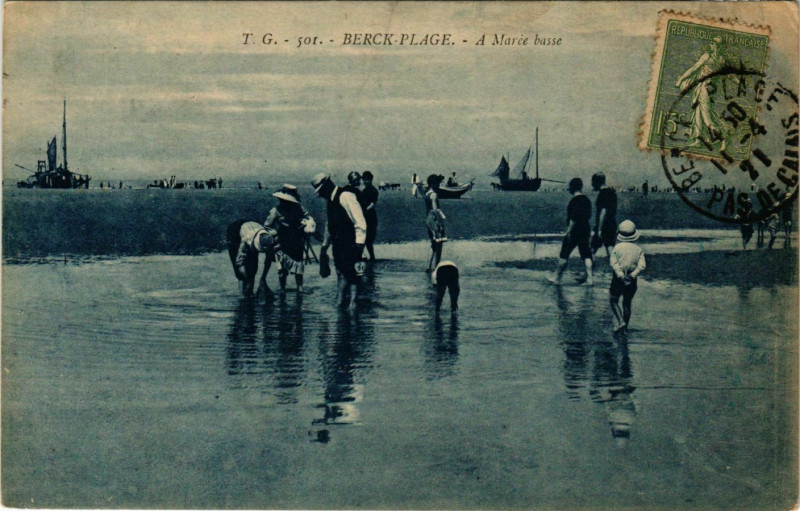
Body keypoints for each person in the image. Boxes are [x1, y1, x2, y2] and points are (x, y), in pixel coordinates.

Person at [312, 173, 367, 310]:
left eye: (321, 191)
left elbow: (360, 222)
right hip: (338, 243)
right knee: (340, 272)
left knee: (353, 275)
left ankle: (352, 305)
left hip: (352, 242)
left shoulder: (346, 196)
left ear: (327, 186)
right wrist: (325, 246)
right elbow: (329, 225)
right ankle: (340, 302)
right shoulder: (330, 201)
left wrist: (359, 246)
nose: (321, 195)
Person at [675, 36, 735, 151]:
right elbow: (695, 69)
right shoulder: (717, 58)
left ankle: (723, 138)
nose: (711, 45)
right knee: (697, 114)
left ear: (717, 46)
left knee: (707, 118)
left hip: (705, 89)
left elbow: (694, 69)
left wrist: (680, 80)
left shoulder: (713, 58)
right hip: (701, 87)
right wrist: (682, 79)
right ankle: (698, 140)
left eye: (713, 43)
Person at [264, 184, 317, 295]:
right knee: (282, 269)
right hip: (282, 241)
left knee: (298, 267)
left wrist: (307, 223)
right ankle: (283, 289)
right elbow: (267, 226)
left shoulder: (298, 207)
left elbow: (308, 217)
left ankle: (300, 289)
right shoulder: (275, 210)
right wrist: (276, 234)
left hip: (296, 239)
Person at [549, 177, 593, 285]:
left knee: (564, 254)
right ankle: (590, 279)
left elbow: (573, 218)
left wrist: (568, 231)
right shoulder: (587, 200)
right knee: (586, 254)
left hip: (574, 230)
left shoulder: (574, 201)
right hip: (585, 229)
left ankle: (557, 278)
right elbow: (589, 215)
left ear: (572, 188)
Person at [609, 220, 646, 334]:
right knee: (627, 303)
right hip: (632, 278)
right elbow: (642, 265)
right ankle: (624, 330)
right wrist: (632, 275)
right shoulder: (638, 249)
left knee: (613, 300)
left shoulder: (617, 248)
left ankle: (620, 322)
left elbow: (613, 263)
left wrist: (620, 275)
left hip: (618, 278)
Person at [226, 219, 276, 297]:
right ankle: (242, 295)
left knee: (253, 267)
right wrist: (247, 280)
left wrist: (263, 278)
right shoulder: (246, 240)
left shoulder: (269, 239)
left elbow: (268, 260)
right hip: (235, 231)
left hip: (253, 228)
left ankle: (250, 293)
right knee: (240, 273)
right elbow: (240, 263)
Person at [424, 174, 448, 273]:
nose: (438, 186)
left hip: (428, 219)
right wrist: (440, 221)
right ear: (433, 184)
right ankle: (437, 266)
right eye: (437, 183)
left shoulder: (427, 193)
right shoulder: (434, 195)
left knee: (433, 243)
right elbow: (435, 210)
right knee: (439, 244)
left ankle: (429, 266)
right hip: (434, 219)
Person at [591, 172, 617, 259]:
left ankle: (589, 272)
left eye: (593, 182)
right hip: (612, 224)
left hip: (603, 226)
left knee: (592, 252)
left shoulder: (602, 194)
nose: (592, 185)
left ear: (597, 182)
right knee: (610, 248)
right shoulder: (612, 192)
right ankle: (617, 271)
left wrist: (599, 229)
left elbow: (603, 212)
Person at [360, 171, 380, 261]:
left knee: (368, 239)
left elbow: (372, 204)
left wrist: (364, 211)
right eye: (364, 179)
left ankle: (372, 257)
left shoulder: (373, 190)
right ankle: (366, 256)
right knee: (364, 238)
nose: (365, 181)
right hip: (364, 216)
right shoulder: (364, 190)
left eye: (367, 179)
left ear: (371, 180)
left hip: (370, 217)